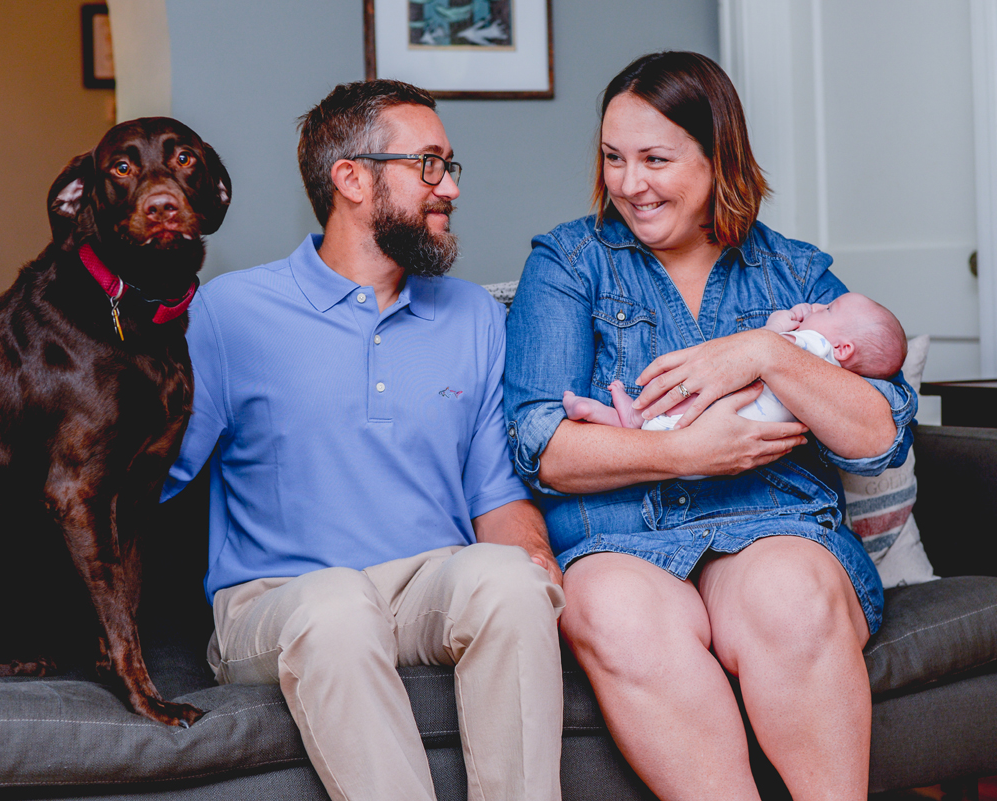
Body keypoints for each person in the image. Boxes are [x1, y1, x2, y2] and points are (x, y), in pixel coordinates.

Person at [503, 52, 916, 801]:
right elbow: (542, 446)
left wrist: (760, 352)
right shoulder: (570, 262)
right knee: (613, 606)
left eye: (656, 159)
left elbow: (881, 433)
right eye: (614, 158)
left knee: (787, 593)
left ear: (716, 155)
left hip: (774, 524)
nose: (630, 184)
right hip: (622, 536)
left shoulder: (791, 273)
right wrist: (681, 450)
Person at [162, 79, 565, 801]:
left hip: (423, 586)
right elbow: (150, 474)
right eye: (429, 165)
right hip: (278, 600)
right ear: (351, 178)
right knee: (339, 603)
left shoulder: (473, 314)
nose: (450, 188)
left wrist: (544, 578)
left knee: (509, 581)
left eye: (450, 166)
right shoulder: (230, 312)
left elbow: (496, 496)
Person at [563, 291, 908, 432]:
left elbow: (771, 346)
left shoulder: (818, 348)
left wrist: (774, 325)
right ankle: (610, 413)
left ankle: (623, 411)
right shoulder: (835, 375)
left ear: (844, 349)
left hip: (726, 419)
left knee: (675, 407)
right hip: (738, 423)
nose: (817, 306)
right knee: (658, 427)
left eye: (829, 309)